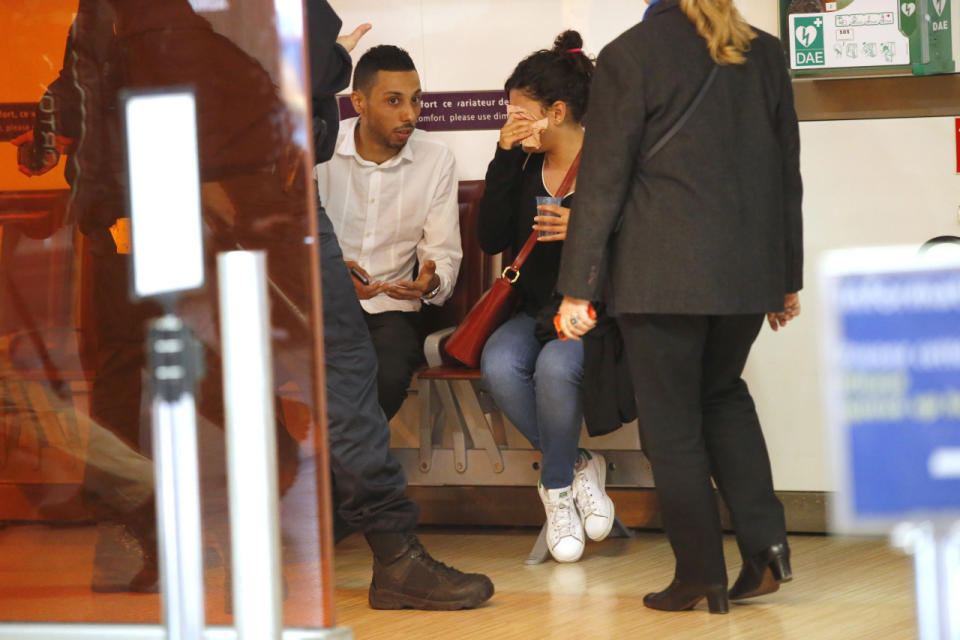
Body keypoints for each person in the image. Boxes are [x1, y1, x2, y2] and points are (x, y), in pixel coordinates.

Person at [555, 0, 803, 613]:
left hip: (660, 276)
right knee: (723, 396)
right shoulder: (764, 51)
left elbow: (605, 178)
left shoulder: (630, 54)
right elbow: (785, 173)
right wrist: (785, 276)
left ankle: (700, 575)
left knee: (672, 428)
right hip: (745, 274)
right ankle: (768, 547)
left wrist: (578, 285)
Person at [477, 31, 614, 564]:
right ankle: (579, 465)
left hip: (590, 309)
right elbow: (491, 238)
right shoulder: (521, 164)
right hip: (534, 309)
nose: (510, 121)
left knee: (558, 368)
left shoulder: (606, 163)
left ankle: (555, 491)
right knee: (500, 363)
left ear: (556, 112)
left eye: (518, 112)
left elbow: (641, 241)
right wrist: (502, 155)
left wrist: (581, 227)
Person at [314, 45, 462, 421]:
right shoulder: (320, 149)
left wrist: (428, 284)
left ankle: (339, 473)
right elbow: (292, 239)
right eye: (394, 101)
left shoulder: (436, 157)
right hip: (322, 304)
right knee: (309, 377)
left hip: (391, 309)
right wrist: (329, 272)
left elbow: (443, 253)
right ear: (359, 103)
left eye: (415, 100)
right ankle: (347, 473)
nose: (409, 114)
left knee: (389, 376)